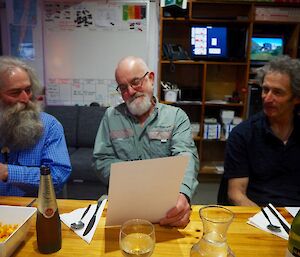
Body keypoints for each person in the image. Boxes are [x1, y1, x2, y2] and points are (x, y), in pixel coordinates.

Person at [93, 56, 199, 226]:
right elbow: (101, 159)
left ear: (150, 78)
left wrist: (183, 195)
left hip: (165, 205)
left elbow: (186, 156)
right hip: (124, 203)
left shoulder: (176, 117)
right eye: (123, 87)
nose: (130, 92)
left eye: (135, 82)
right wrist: (134, 180)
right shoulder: (111, 117)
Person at [223, 55, 300, 207]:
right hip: (256, 216)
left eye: (277, 92)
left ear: (296, 98)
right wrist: (268, 222)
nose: (267, 98)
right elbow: (236, 194)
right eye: (265, 90)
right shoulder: (243, 134)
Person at [0, 56, 71, 196]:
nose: (25, 98)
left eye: (28, 90)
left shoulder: (49, 126)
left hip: (34, 209)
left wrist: (7, 172)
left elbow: (58, 176)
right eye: (15, 93)